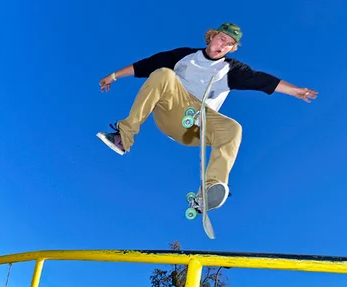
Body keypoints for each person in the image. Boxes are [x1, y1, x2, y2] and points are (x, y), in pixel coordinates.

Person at [96, 22, 318, 213]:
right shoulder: (184, 56)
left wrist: (295, 90)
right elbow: (145, 65)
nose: (223, 47)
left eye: (229, 45)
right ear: (211, 37)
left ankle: (209, 191)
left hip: (199, 125)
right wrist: (113, 76)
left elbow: (262, 80)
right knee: (163, 73)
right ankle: (124, 137)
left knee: (233, 128)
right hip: (172, 110)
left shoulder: (232, 70)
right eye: (221, 39)